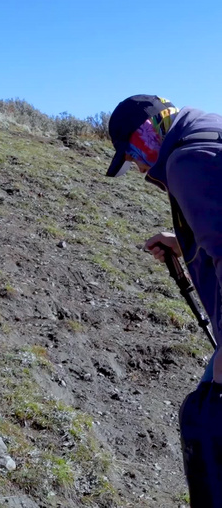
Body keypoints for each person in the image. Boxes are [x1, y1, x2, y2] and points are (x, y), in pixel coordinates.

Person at [106, 95, 222, 508]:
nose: (138, 167)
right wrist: (187, 239)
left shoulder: (186, 162)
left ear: (146, 134)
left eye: (133, 154)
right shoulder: (209, 130)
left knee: (205, 423)